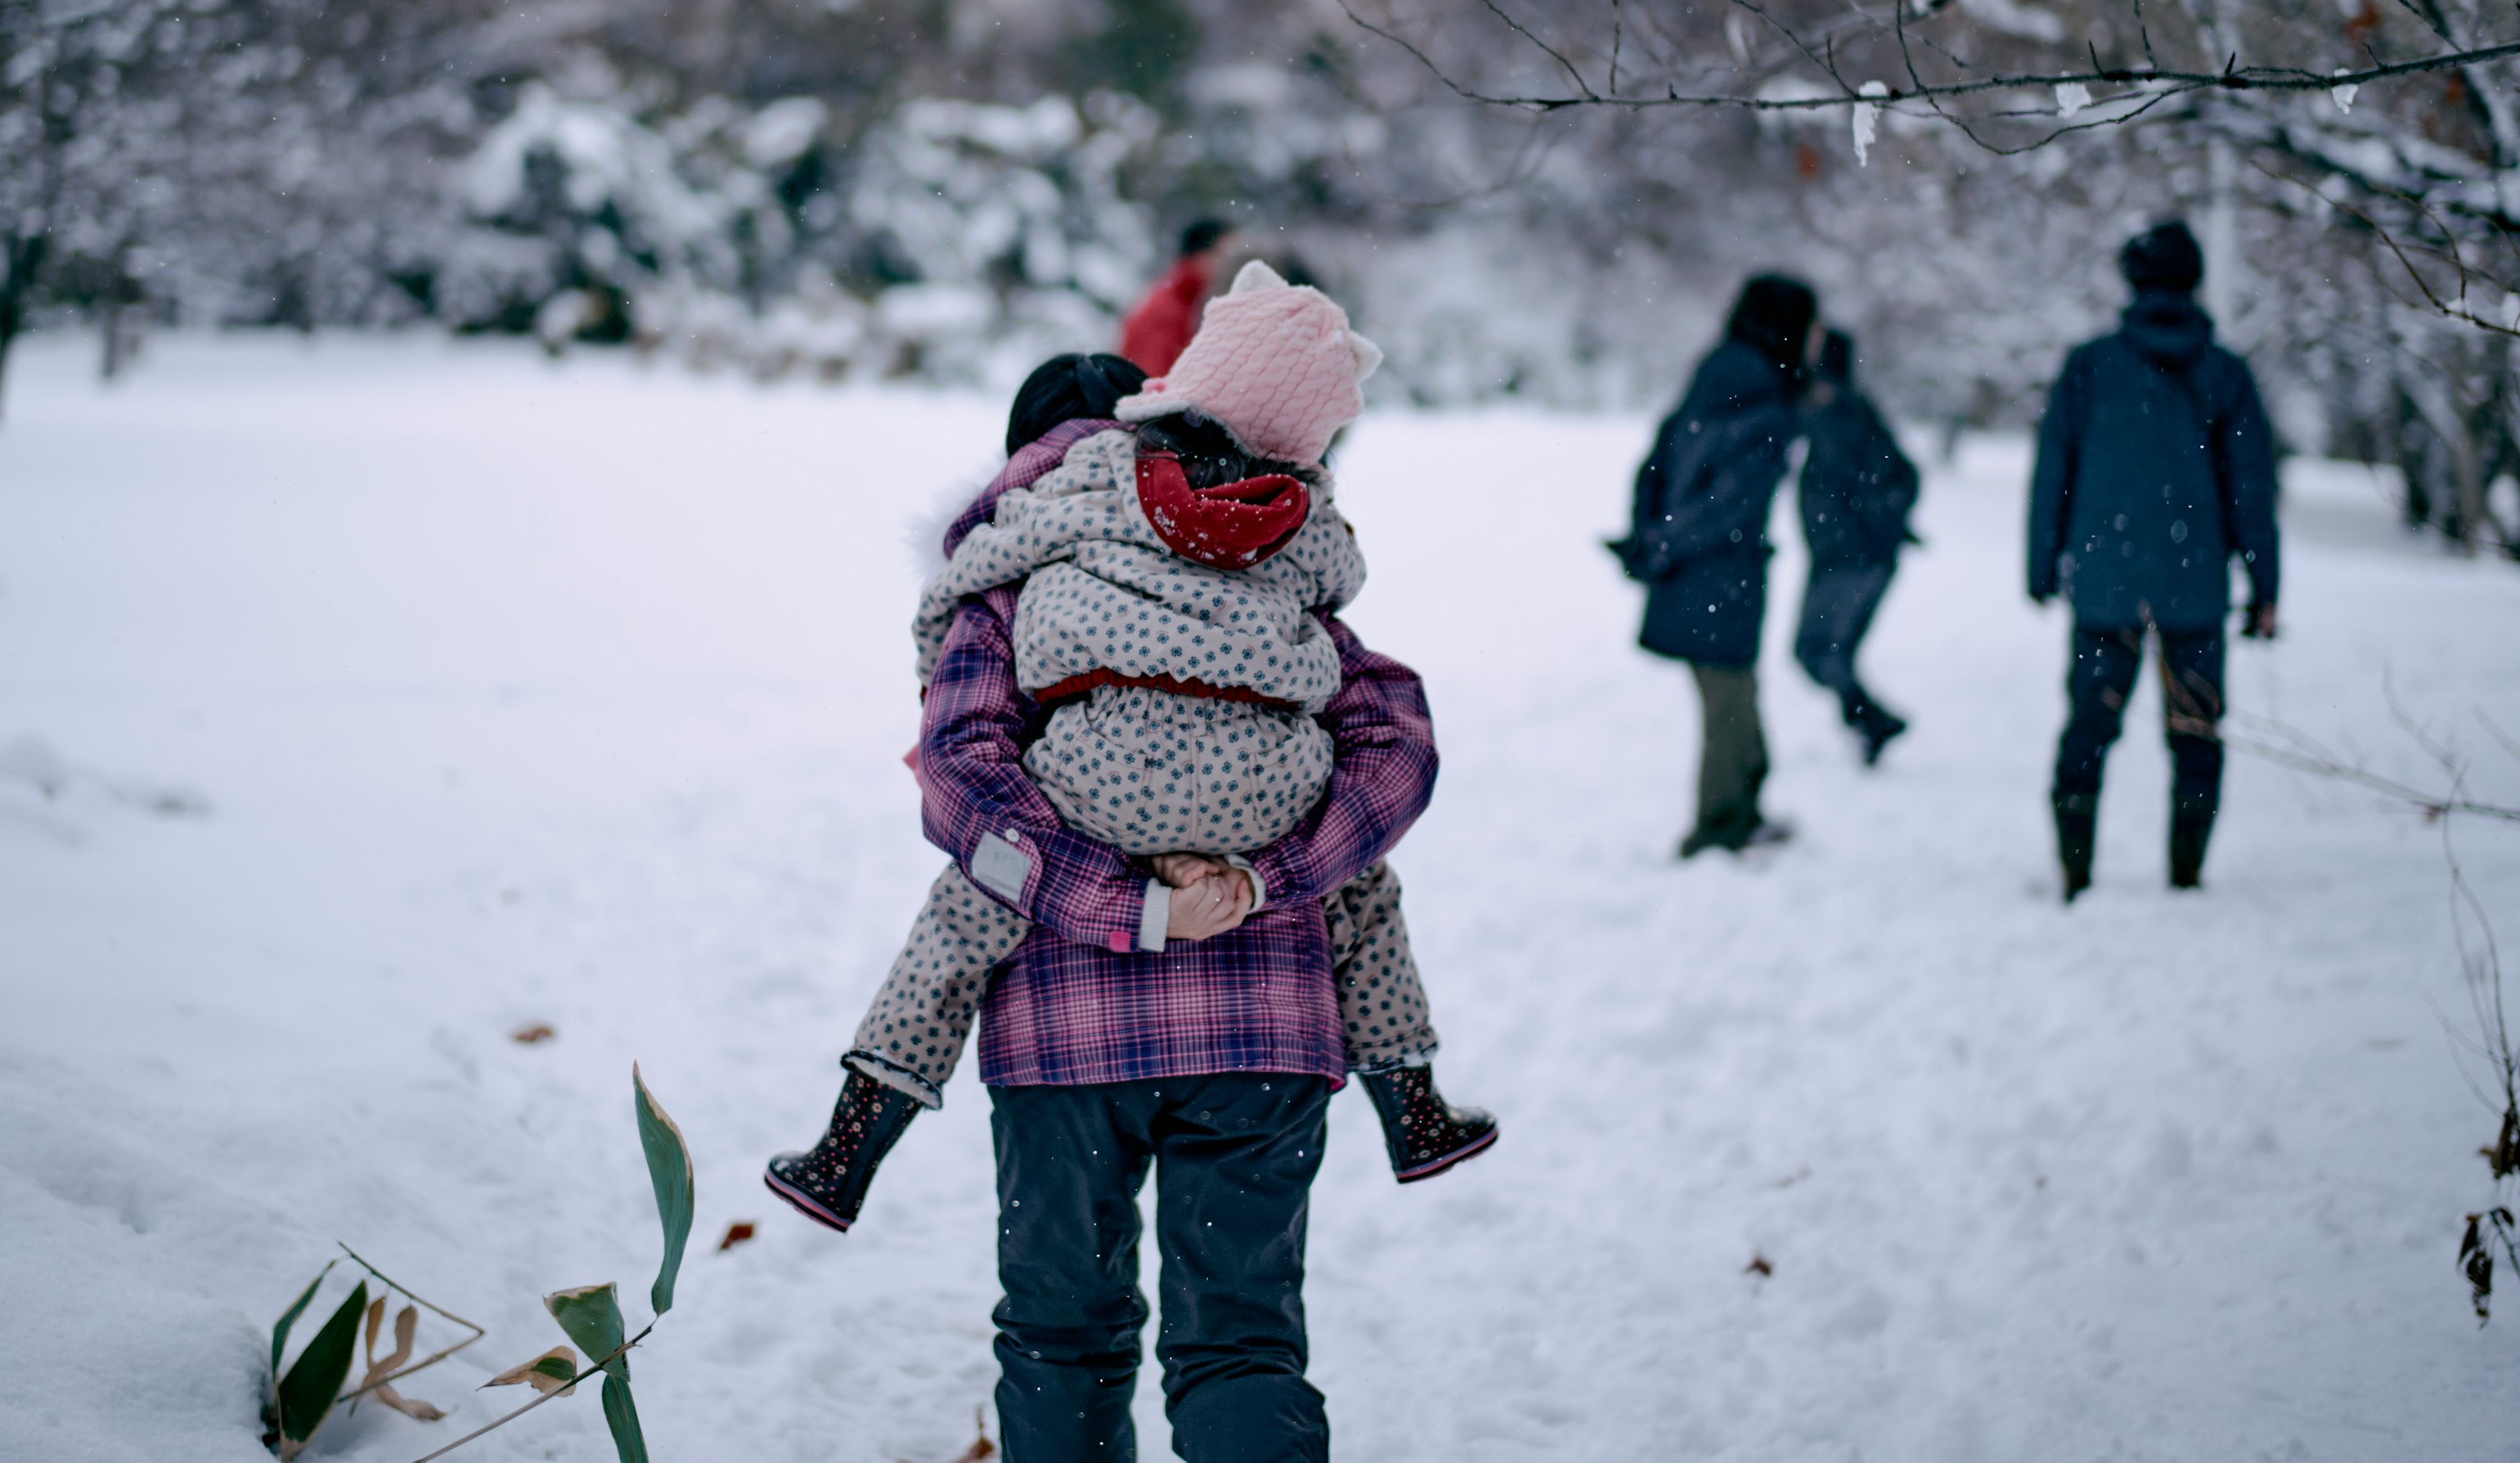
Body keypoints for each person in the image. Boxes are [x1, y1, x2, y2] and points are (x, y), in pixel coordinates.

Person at [768, 279, 1493, 1236]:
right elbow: (1389, 728)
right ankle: (1411, 1100)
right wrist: (1272, 873)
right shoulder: (1249, 540)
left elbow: (960, 769)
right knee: (1364, 887)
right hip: (1264, 956)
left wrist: (1122, 891)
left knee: (962, 913)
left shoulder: (1022, 549)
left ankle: (853, 1141)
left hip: (1070, 941)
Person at [2027, 219, 2278, 900]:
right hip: (2193, 585)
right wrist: (2265, 585)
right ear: (2195, 280)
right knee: (2196, 729)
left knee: (2088, 724)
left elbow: (2054, 468)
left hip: (2106, 584)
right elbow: (2252, 488)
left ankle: (2075, 874)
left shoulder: (2090, 367)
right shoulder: (2224, 373)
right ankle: (2186, 874)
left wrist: (2041, 562)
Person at [1615, 273, 1820, 855]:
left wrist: (1649, 533)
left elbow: (1656, 461)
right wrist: (1664, 542)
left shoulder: (1716, 374)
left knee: (1730, 689)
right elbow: (1734, 501)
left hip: (1693, 563)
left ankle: (1744, 808)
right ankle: (1720, 824)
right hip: (1720, 568)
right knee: (1728, 693)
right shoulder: (1768, 397)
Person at [1793, 330, 1916, 765]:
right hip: (1848, 555)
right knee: (1826, 652)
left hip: (1852, 558)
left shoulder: (1840, 414)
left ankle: (1874, 722)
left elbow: (1900, 477)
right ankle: (1871, 724)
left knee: (1816, 651)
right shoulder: (1845, 411)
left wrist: (1870, 527)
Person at [1119, 217, 1231, 375]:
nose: (1228, 264)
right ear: (1200, 256)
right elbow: (1154, 381)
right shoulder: (1167, 308)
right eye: (1223, 255)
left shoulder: (1191, 299)